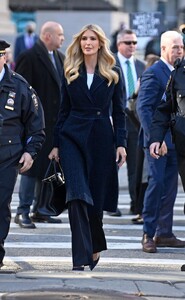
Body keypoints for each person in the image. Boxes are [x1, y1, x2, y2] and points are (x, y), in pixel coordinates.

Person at [49, 24, 127, 271]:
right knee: (76, 197)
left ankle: (94, 245)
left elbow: (119, 111)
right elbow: (63, 110)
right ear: (79, 42)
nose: (88, 42)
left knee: (95, 199)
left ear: (100, 43)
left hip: (102, 139)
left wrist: (121, 143)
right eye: (84, 38)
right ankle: (80, 258)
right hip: (72, 136)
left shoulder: (112, 71)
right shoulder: (71, 70)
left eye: (92, 38)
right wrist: (56, 144)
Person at [137, 30, 185, 253]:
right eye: (175, 47)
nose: (179, 50)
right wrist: (155, 138)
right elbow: (144, 108)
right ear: (163, 49)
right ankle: (148, 233)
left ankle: (164, 233)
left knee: (171, 189)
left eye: (181, 47)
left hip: (177, 141)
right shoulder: (153, 73)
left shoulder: (181, 72)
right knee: (156, 185)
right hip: (157, 142)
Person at [14, 21, 65, 228]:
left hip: (53, 123)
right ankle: (22, 210)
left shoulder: (60, 58)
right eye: (59, 35)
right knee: (30, 167)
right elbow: (22, 91)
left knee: (46, 166)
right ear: (47, 36)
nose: (62, 38)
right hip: (34, 122)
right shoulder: (29, 56)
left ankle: (41, 209)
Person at [0, 40, 45, 269]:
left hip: (6, 157)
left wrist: (30, 152)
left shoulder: (19, 86)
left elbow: (36, 125)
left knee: (0, 204)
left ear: (4, 58)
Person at [115, 29, 145, 215]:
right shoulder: (109, 63)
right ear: (119, 44)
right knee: (111, 165)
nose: (132, 46)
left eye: (134, 43)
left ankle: (136, 204)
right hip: (114, 120)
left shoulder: (141, 66)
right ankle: (108, 202)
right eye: (128, 42)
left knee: (135, 165)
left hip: (134, 122)